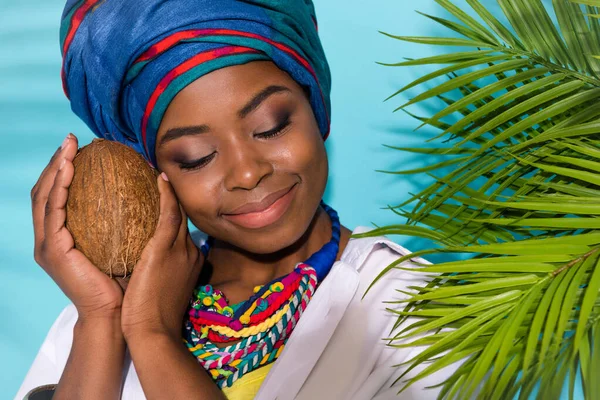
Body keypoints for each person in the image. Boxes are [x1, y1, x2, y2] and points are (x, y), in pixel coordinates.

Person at [17, 1, 456, 399]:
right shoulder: (97, 318)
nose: (247, 173)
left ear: (315, 102)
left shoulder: (416, 312)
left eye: (271, 126)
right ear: (155, 175)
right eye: (197, 158)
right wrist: (101, 318)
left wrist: (154, 336)